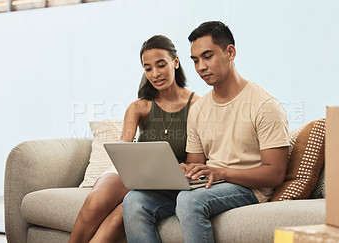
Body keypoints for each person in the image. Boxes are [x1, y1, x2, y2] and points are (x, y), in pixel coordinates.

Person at [122, 21, 290, 243]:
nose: (201, 66)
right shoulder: (199, 109)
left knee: (191, 201)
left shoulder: (264, 105)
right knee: (134, 201)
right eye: (195, 60)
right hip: (209, 184)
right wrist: (182, 170)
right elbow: (196, 163)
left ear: (230, 52)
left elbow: (275, 173)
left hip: (248, 189)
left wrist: (222, 173)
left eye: (207, 56)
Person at [68, 35, 199, 243]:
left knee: (118, 219)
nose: (155, 74)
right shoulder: (139, 107)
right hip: (135, 174)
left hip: (167, 183)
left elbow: (197, 160)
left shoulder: (196, 106)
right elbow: (124, 147)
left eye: (161, 65)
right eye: (148, 68)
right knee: (95, 201)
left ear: (175, 62)